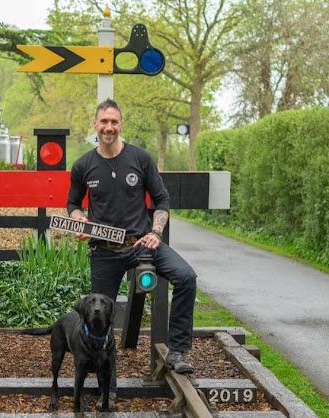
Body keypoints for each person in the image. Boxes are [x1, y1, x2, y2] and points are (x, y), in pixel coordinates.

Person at [66, 98, 198, 399]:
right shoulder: (84, 165)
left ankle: (177, 352)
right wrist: (79, 220)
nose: (109, 127)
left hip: (141, 244)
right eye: (104, 122)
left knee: (186, 277)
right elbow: (73, 202)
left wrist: (156, 231)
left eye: (114, 122)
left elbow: (162, 200)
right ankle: (106, 387)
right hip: (104, 250)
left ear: (120, 124)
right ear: (95, 125)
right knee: (98, 317)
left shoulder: (140, 158)